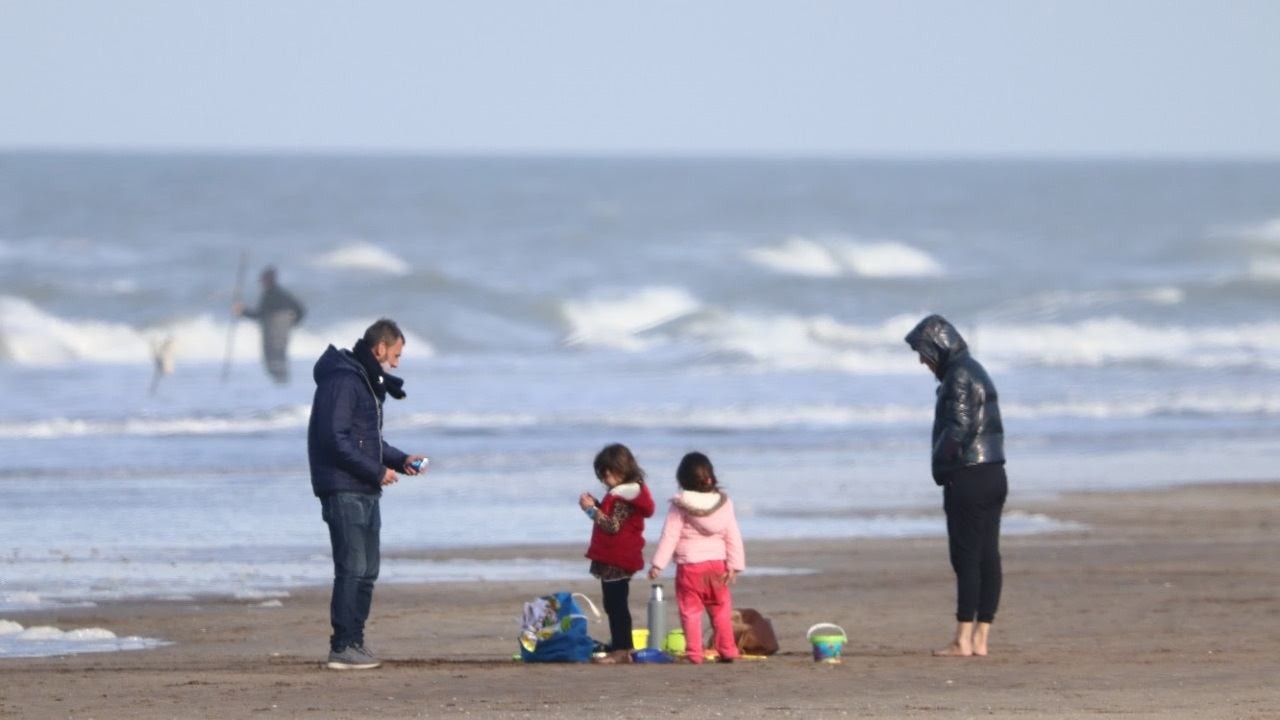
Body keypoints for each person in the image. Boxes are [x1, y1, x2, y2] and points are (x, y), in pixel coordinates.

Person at [307, 318, 427, 670]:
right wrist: (377, 470)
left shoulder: (365, 381)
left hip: (363, 487)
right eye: (396, 355)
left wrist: (401, 460)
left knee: (367, 569)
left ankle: (354, 642)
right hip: (343, 488)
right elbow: (335, 439)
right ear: (380, 349)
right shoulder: (344, 380)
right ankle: (343, 645)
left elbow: (368, 440)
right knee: (353, 567)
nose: (397, 363)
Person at [904, 314, 1007, 658]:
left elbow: (959, 428)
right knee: (988, 555)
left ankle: (962, 639)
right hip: (994, 471)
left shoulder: (958, 376)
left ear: (938, 345)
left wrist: (942, 465)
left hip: (969, 475)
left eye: (924, 352)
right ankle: (981, 638)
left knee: (966, 557)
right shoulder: (976, 369)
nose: (922, 360)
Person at [648, 451, 745, 664]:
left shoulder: (680, 505)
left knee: (691, 610)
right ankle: (728, 650)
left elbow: (670, 535)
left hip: (690, 566)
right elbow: (732, 534)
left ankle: (694, 653)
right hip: (717, 565)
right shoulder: (723, 504)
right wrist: (735, 565)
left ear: (682, 479)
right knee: (720, 609)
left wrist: (658, 564)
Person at [578, 443, 655, 665]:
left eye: (606, 475)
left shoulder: (626, 496)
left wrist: (591, 510)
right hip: (617, 556)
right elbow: (615, 519)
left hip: (618, 558)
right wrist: (598, 505)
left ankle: (622, 647)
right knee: (613, 603)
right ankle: (620, 642)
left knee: (616, 603)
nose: (604, 480)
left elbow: (612, 525)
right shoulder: (624, 495)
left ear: (620, 470)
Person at [234, 266, 305, 384]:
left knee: (272, 354)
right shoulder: (283, 294)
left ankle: (279, 380)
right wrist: (293, 324)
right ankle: (282, 379)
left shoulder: (270, 295)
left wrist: (242, 311)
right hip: (282, 331)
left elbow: (259, 314)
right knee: (280, 352)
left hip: (273, 331)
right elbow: (301, 310)